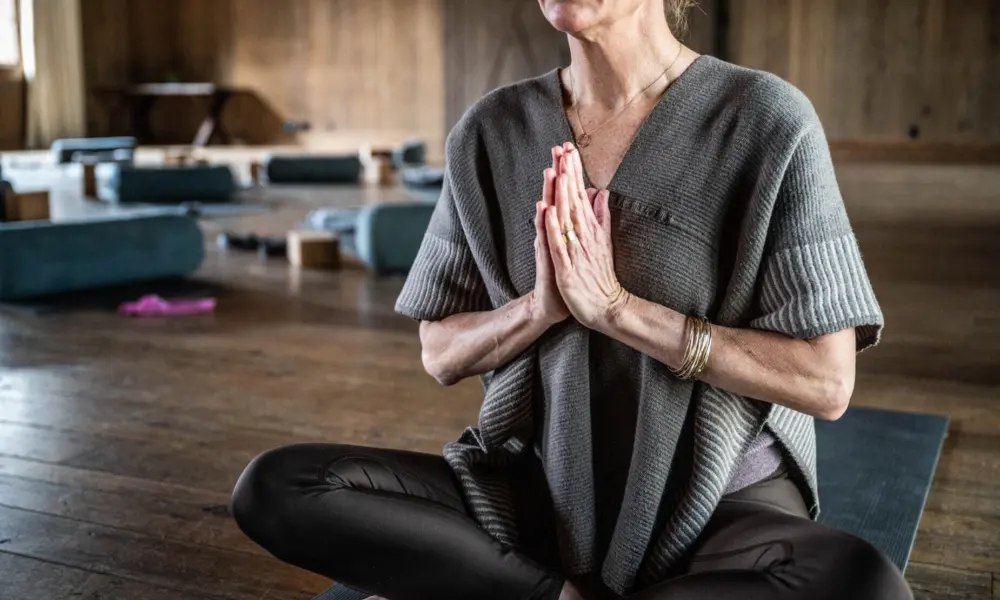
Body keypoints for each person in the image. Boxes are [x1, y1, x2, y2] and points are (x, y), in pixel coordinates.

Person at [231, 1, 913, 599]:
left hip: (719, 504)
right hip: (539, 492)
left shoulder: (765, 119)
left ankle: (495, 589)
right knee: (278, 487)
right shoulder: (490, 130)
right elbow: (440, 352)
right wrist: (541, 308)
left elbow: (826, 383)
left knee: (863, 584)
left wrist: (618, 310)